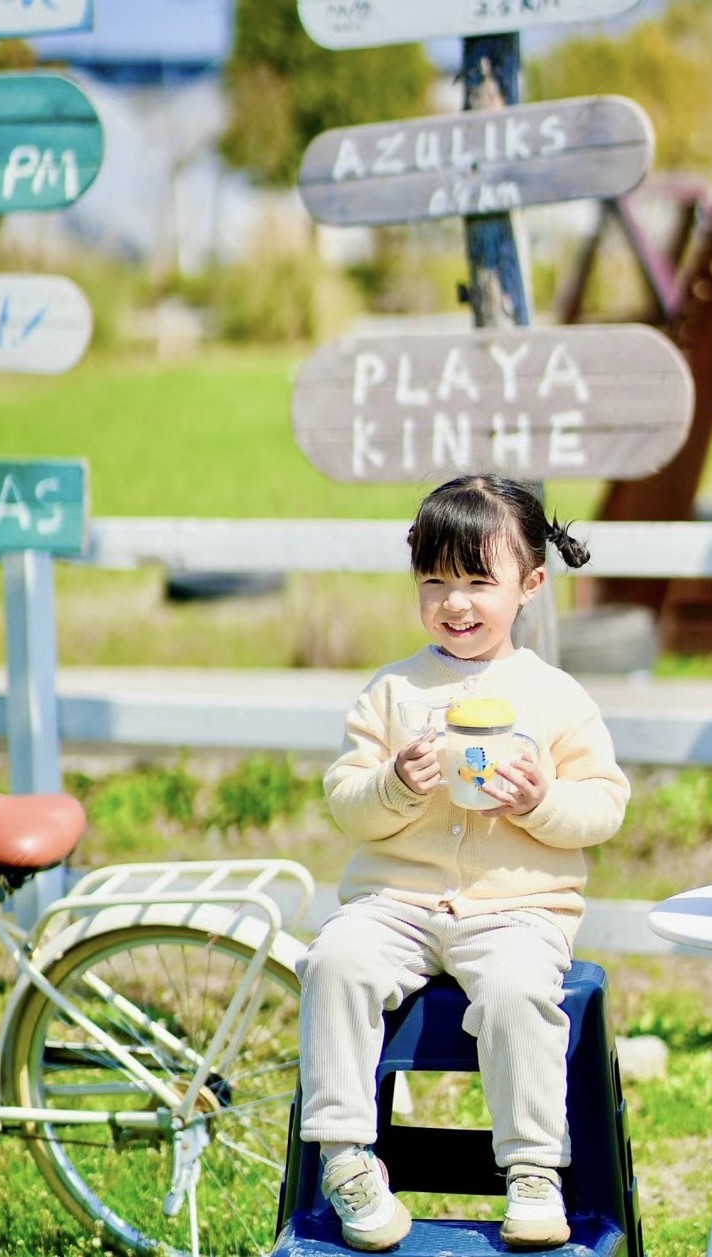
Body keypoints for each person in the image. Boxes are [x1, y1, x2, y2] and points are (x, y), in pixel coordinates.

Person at [297, 474, 630, 1252]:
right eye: (436, 581)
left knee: (518, 990)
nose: (456, 602)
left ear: (531, 586)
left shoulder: (555, 696)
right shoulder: (393, 691)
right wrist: (395, 784)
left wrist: (541, 800)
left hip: (518, 906)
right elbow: (346, 799)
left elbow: (604, 805)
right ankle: (346, 1158)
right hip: (397, 904)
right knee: (334, 960)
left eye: (480, 581)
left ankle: (534, 1168)